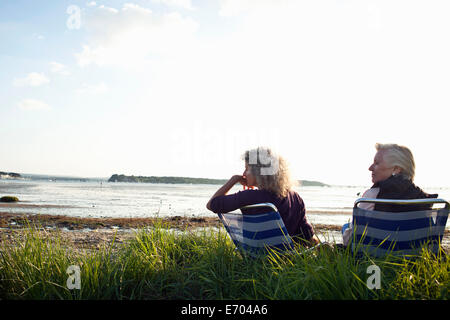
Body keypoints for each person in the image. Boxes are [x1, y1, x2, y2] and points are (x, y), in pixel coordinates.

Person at [206, 147, 320, 247]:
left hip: (254, 256)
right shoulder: (295, 197)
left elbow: (212, 205)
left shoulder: (250, 197)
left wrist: (233, 179)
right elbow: (307, 235)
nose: (244, 174)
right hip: (286, 259)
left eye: (247, 169)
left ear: (259, 172)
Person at [342, 143, 438, 246]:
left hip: (375, 254)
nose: (370, 168)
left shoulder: (372, 197)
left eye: (377, 163)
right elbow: (429, 240)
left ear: (396, 169)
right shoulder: (423, 199)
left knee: (346, 227)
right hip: (413, 256)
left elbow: (351, 240)